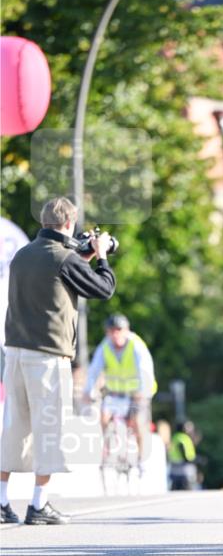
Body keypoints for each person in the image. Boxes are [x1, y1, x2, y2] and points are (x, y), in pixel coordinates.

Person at [0, 197, 115, 524]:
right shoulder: (65, 260)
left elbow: (52, 273)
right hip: (48, 357)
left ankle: (1, 501)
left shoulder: (22, 256)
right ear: (70, 223)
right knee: (49, 430)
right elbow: (104, 288)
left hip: (15, 354)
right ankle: (39, 505)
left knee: (14, 429)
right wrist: (102, 256)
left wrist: (83, 256)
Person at [83, 314, 155, 473]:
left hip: (136, 393)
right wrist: (87, 391)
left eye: (119, 330)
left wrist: (143, 391)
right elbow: (94, 370)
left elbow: (145, 369)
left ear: (126, 330)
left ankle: (141, 460)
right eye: (111, 331)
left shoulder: (136, 345)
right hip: (115, 393)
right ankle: (107, 451)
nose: (115, 334)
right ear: (107, 332)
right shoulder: (105, 347)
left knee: (137, 422)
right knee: (103, 417)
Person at [168, 420, 199, 490]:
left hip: (174, 467)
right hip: (185, 469)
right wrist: (195, 460)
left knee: (175, 490)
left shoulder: (175, 436)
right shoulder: (183, 438)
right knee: (186, 489)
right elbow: (184, 452)